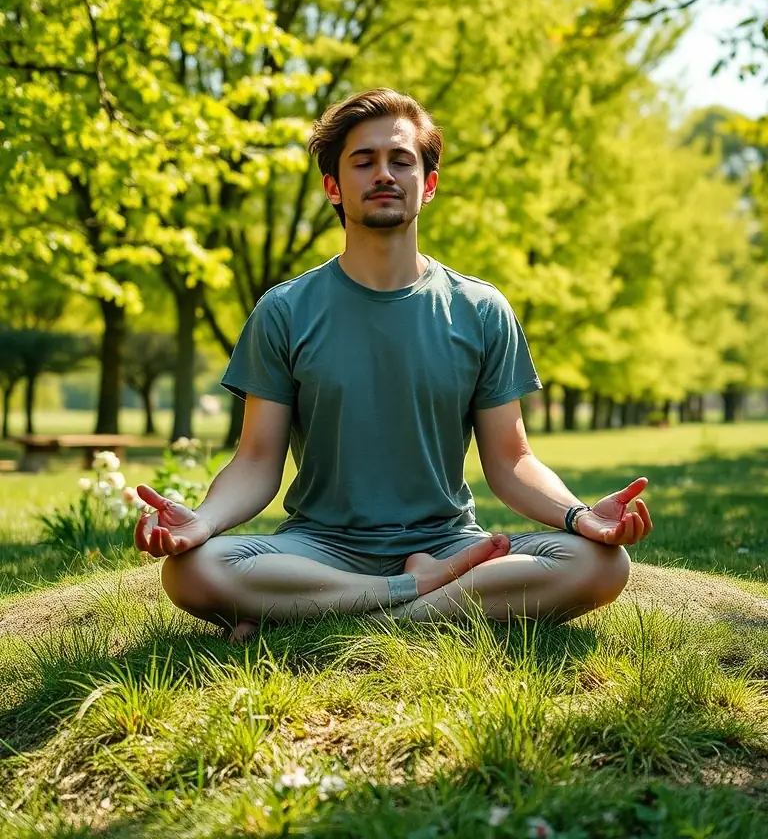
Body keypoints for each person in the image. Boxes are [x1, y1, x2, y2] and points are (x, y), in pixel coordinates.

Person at [135, 88, 653, 640]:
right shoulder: (283, 311)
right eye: (364, 161)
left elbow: (512, 460)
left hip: (448, 542)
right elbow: (258, 459)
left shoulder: (480, 309)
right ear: (334, 186)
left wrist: (579, 517)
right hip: (318, 548)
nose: (384, 173)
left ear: (427, 185)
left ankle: (324, 615)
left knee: (601, 564)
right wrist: (205, 521)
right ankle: (414, 595)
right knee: (194, 570)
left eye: (401, 160)